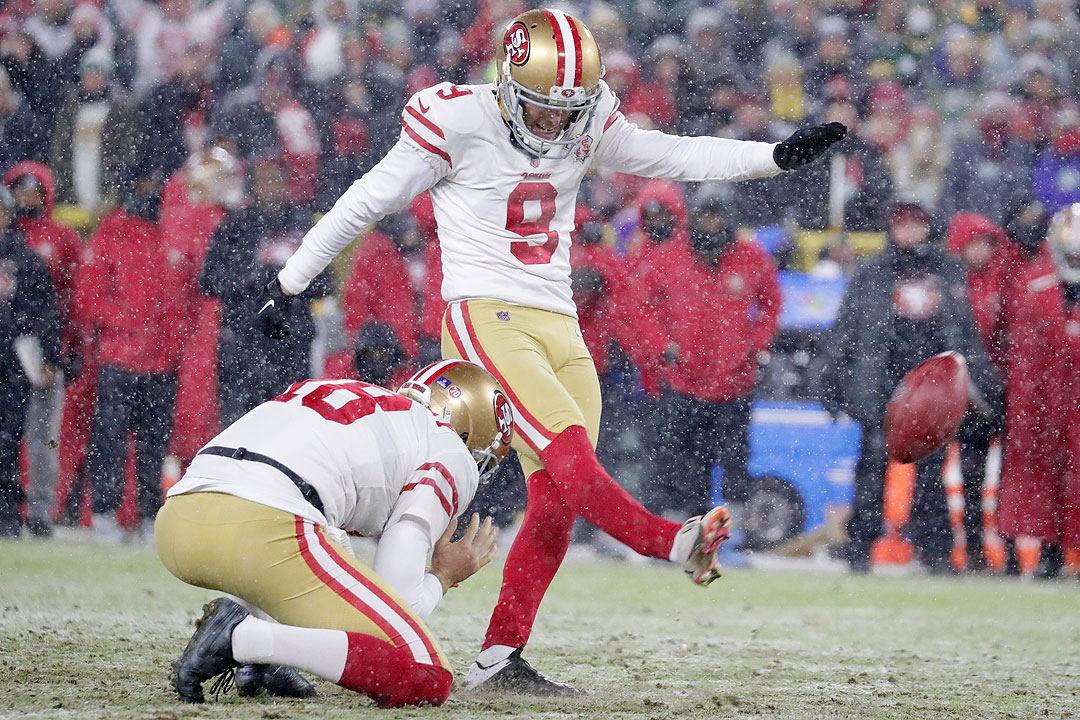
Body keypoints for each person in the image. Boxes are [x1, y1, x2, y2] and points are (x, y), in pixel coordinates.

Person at [255, 8, 845, 694]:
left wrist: (770, 157)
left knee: (560, 496)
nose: (552, 124)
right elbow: (366, 201)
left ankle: (500, 658)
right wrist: (292, 283)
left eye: (567, 110)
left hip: (559, 323)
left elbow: (676, 154)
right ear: (507, 85)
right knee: (564, 456)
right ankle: (669, 542)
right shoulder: (456, 121)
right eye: (540, 106)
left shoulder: (585, 117)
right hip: (484, 313)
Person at [156, 360, 513, 706]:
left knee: (333, 539)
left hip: (179, 523)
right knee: (426, 673)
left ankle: (259, 658)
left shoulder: (349, 393)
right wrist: (443, 576)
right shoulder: (450, 449)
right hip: (262, 528)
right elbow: (402, 601)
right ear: (471, 432)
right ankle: (243, 639)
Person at [824, 202, 1002, 574]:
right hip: (881, 385)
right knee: (872, 469)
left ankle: (933, 551)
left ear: (927, 227)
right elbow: (847, 329)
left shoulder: (947, 272)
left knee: (930, 473)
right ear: (891, 228)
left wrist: (986, 384)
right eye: (902, 224)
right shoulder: (872, 273)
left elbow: (964, 333)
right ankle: (861, 548)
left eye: (916, 224)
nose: (909, 232)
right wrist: (831, 379)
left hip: (932, 387)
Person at [647, 193, 781, 523]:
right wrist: (664, 346)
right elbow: (643, 306)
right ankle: (689, 532)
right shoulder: (668, 257)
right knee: (686, 462)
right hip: (685, 381)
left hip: (735, 382)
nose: (711, 224)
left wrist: (755, 345)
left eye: (717, 216)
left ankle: (729, 537)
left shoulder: (751, 257)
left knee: (735, 462)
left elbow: (772, 303)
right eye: (704, 216)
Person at [78, 166, 181, 543]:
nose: (149, 191)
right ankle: (105, 515)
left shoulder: (168, 231)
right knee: (111, 442)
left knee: (155, 446)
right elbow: (88, 299)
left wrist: (170, 343)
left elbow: (179, 297)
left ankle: (148, 518)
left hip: (159, 362)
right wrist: (128, 321)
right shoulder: (112, 234)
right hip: (121, 359)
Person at [3, 162, 82, 537]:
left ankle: (40, 507)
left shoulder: (61, 238)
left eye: (33, 190)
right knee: (13, 432)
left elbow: (68, 299)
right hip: (12, 345)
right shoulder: (13, 243)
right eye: (19, 190)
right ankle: (12, 503)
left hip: (44, 348)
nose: (25, 197)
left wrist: (63, 349)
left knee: (44, 435)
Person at [0, 187, 61, 538]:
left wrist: (50, 356)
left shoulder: (27, 259)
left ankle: (12, 511)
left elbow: (45, 312)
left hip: (16, 361)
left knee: (19, 439)